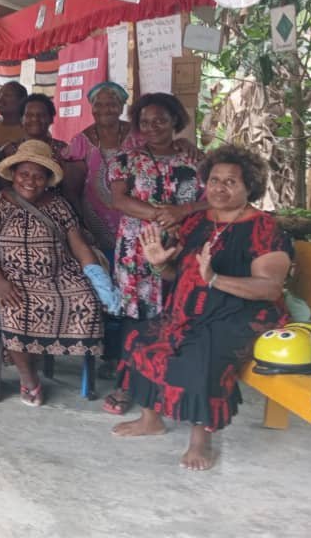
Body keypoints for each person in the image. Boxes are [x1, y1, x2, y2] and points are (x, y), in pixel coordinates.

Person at [112, 144, 292, 471]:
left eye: (230, 182)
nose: (219, 188)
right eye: (214, 180)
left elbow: (269, 288)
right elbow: (175, 273)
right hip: (190, 310)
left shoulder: (264, 227)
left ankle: (200, 440)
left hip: (242, 315)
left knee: (200, 350)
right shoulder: (197, 222)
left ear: (249, 186)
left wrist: (214, 279)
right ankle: (151, 420)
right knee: (140, 337)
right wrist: (156, 265)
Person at [0, 140, 106, 407]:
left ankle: (73, 372)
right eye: (24, 174)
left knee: (87, 300)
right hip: (8, 274)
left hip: (58, 273)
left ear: (48, 180)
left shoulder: (59, 205)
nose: (30, 181)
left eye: (38, 176)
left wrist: (96, 276)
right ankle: (28, 376)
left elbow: (78, 244)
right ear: (13, 175)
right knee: (13, 307)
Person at [103, 92, 207, 416]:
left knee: (175, 311)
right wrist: (161, 214)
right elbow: (119, 200)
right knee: (136, 316)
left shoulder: (197, 160)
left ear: (175, 119)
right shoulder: (127, 159)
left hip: (183, 245)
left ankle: (163, 380)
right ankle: (125, 382)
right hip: (138, 248)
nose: (153, 126)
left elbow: (215, 197)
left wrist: (185, 210)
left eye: (160, 119)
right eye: (145, 121)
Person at [65, 82, 133, 256]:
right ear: (92, 108)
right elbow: (72, 187)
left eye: (112, 104)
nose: (105, 109)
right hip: (95, 218)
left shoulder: (136, 136)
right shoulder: (81, 140)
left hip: (135, 214)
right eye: (99, 104)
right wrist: (81, 220)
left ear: (121, 107)